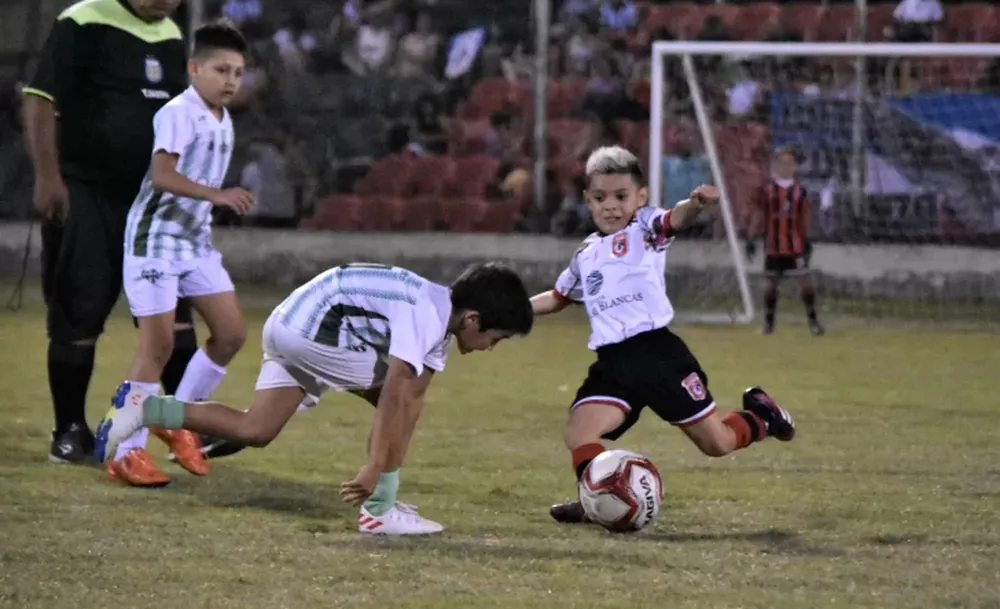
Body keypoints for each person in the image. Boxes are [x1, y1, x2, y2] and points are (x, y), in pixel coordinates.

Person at [96, 262, 534, 533]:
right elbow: (399, 396)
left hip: (291, 323)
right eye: (495, 337)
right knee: (392, 396)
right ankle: (380, 510)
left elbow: (414, 400)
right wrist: (376, 468)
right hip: (313, 329)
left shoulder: (439, 325)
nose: (492, 346)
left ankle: (142, 408)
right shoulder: (427, 312)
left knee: (257, 428)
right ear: (473, 318)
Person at [528, 146, 797, 526]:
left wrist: (695, 203)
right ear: (588, 201)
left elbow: (674, 219)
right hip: (614, 363)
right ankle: (597, 500)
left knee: (716, 443)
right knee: (579, 431)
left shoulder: (645, 229)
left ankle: (763, 418)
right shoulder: (585, 253)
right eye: (600, 198)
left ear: (640, 197)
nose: (611, 206)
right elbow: (558, 297)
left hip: (658, 356)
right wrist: (519, 309)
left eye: (621, 196)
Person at [22, 0, 205, 464]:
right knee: (79, 309)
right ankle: (69, 430)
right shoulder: (84, 19)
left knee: (173, 317)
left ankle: (190, 429)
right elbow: (41, 99)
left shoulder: (169, 34)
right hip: (88, 193)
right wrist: (48, 175)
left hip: (153, 204)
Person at [96, 19, 254, 487]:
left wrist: (210, 204)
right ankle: (126, 451)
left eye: (238, 73)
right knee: (158, 346)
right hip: (155, 242)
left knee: (230, 334)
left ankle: (175, 417)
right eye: (221, 70)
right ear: (194, 69)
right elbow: (163, 176)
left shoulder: (223, 119)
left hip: (194, 243)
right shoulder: (178, 112)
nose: (230, 80)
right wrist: (218, 195)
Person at [747, 146, 824, 336]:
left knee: (805, 282)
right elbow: (759, 215)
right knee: (771, 284)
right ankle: (768, 324)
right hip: (773, 246)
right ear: (775, 166)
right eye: (781, 163)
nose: (785, 166)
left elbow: (805, 216)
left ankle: (814, 323)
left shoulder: (800, 191)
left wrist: (807, 239)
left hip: (795, 245)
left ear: (795, 167)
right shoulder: (767, 190)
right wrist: (751, 238)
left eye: (789, 163)